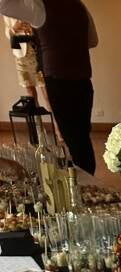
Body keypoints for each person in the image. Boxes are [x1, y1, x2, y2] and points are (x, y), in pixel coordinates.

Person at [0, 0, 97, 174]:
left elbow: (4, 5)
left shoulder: (39, 6)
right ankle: (87, 177)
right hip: (83, 79)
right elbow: (93, 41)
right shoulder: (79, 5)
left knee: (72, 139)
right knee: (82, 137)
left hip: (59, 80)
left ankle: (82, 181)